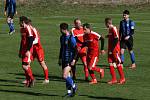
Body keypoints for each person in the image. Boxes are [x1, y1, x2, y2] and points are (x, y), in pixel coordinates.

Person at [22, 19, 49, 84]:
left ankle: (46, 79)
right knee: (27, 64)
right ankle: (28, 79)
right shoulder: (27, 30)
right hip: (31, 49)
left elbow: (37, 39)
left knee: (42, 63)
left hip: (38, 49)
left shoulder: (33, 30)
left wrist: (30, 43)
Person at [58, 23, 77, 97]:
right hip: (63, 59)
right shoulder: (62, 37)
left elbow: (76, 50)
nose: (60, 30)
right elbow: (61, 48)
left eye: (60, 29)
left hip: (69, 59)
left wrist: (74, 60)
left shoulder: (71, 38)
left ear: (64, 29)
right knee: (68, 76)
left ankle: (75, 87)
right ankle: (69, 92)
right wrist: (60, 58)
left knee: (64, 76)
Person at [105, 18, 126, 85]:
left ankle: (122, 78)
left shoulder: (114, 28)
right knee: (110, 63)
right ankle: (114, 79)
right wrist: (109, 36)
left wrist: (112, 49)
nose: (105, 25)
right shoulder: (110, 29)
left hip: (115, 50)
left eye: (105, 23)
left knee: (117, 63)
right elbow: (113, 37)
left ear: (108, 23)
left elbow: (116, 39)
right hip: (110, 49)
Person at [19, 16, 35, 87]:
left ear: (22, 22)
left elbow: (31, 39)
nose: (19, 23)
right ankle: (28, 81)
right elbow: (22, 41)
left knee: (25, 66)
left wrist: (28, 50)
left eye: (19, 22)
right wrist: (20, 50)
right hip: (23, 49)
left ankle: (32, 79)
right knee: (25, 66)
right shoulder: (22, 29)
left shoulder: (28, 28)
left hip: (28, 50)